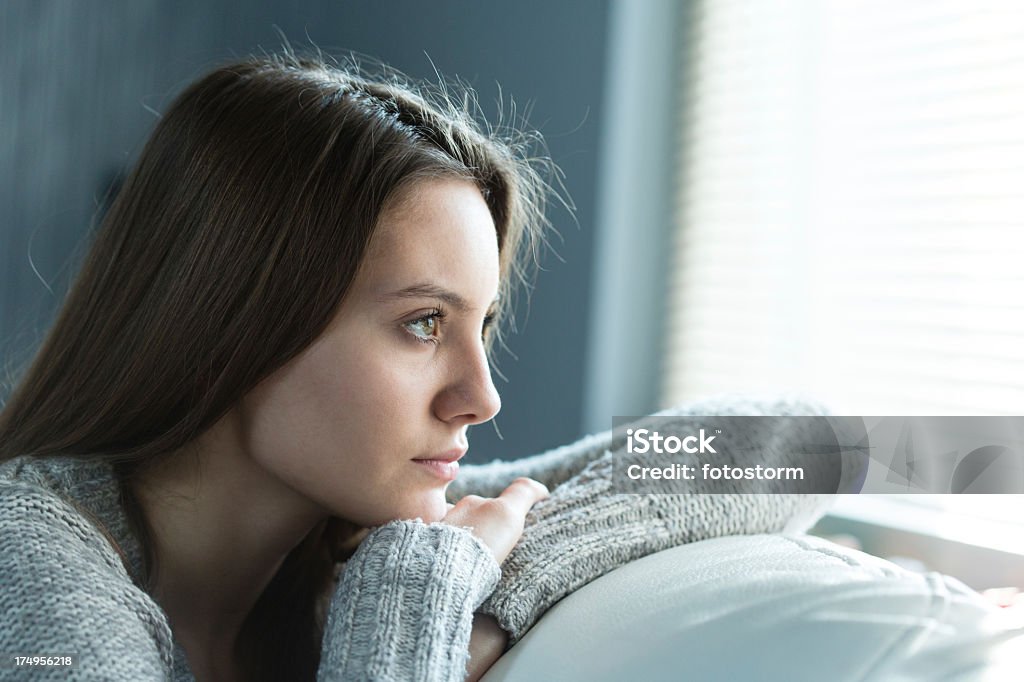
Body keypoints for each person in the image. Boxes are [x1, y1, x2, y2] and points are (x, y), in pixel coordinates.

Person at [0, 51, 835, 682]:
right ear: (234, 326)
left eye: (484, 323)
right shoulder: (26, 564)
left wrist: (486, 589)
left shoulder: (374, 538)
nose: (482, 396)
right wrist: (412, 606)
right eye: (423, 323)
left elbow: (809, 441)